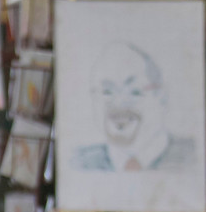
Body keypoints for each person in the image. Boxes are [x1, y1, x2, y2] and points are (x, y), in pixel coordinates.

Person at [72, 41, 194, 172]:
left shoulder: (191, 157)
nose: (119, 104)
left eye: (134, 92)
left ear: (161, 97)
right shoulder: (79, 162)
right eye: (107, 92)